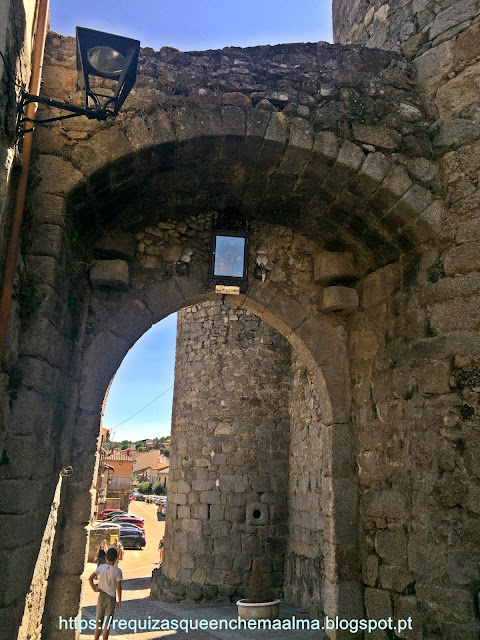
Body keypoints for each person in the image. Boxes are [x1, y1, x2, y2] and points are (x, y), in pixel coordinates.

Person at [88, 547, 122, 640]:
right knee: (107, 623)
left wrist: (94, 589)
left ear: (106, 558)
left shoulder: (101, 567)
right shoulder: (118, 571)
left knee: (99, 621)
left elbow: (90, 578)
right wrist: (119, 601)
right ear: (116, 558)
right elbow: (118, 588)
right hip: (111, 597)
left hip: (101, 595)